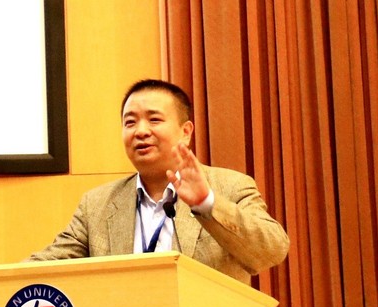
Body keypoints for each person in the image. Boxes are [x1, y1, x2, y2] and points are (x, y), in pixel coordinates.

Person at [28, 79, 289, 286]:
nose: (141, 131)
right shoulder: (97, 204)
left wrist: (207, 203)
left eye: (154, 119)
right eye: (130, 122)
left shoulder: (230, 186)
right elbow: (47, 264)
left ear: (186, 132)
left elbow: (272, 250)